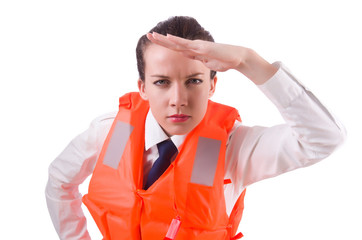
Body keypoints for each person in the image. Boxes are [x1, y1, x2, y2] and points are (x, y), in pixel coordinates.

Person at [45, 16, 345, 240]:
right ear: (142, 88)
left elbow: (324, 138)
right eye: (162, 82)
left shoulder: (232, 148)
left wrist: (248, 61)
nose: (178, 100)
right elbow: (60, 180)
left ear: (213, 85)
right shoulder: (113, 133)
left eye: (194, 81)